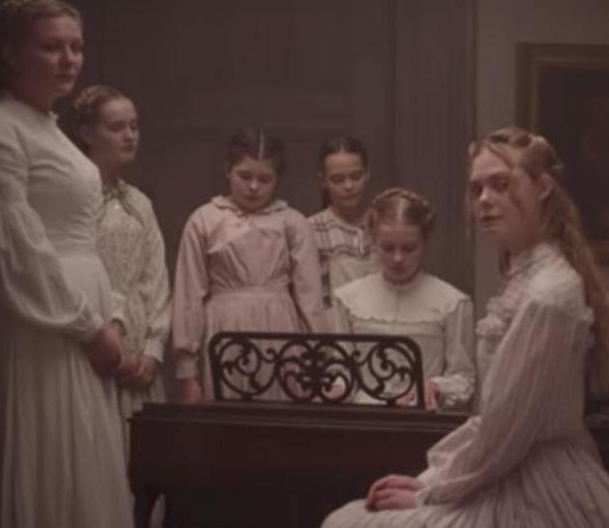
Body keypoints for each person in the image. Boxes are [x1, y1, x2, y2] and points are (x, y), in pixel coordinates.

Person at [322, 126, 609, 528]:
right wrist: (432, 480)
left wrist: (430, 492)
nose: (485, 200)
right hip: (505, 469)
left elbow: (505, 430)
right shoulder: (525, 277)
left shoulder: (546, 292)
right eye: (477, 189)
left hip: (534, 483)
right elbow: (494, 422)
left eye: (501, 185)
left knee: (345, 523)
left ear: (543, 187)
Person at [0, 0, 133, 528]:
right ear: (11, 53)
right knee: (47, 466)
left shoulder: (46, 125)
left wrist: (109, 314)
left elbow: (84, 235)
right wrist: (88, 328)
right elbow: (19, 248)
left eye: (76, 47)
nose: (69, 59)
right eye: (52, 47)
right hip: (39, 322)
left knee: (80, 467)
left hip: (76, 314)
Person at [171, 128, 326, 403]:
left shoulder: (292, 222)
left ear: (277, 179)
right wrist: (187, 371)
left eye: (265, 179)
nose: (254, 187)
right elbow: (189, 296)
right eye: (244, 176)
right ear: (227, 171)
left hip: (280, 330)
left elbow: (310, 297)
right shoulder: (205, 220)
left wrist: (317, 362)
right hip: (224, 329)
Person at [70, 84, 171, 455]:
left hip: (139, 353)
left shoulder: (139, 203)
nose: (129, 136)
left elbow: (155, 279)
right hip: (92, 347)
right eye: (116, 127)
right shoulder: (74, 200)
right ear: (87, 133)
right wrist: (102, 338)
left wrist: (152, 350)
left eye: (134, 126)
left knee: (139, 457)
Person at [332, 187, 475, 411]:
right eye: (388, 248)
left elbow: (463, 379)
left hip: (419, 419)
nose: (397, 258)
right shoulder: (348, 298)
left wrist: (435, 386)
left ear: (425, 242)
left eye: (409, 248)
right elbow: (343, 371)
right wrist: (336, 389)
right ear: (373, 240)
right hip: (364, 418)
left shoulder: (452, 302)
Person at [305, 136, 380, 327]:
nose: (348, 186)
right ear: (323, 181)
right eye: (337, 179)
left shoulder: (384, 225)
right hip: (334, 330)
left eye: (356, 176)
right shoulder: (310, 230)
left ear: (367, 174)